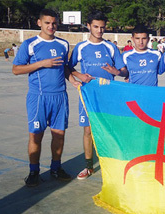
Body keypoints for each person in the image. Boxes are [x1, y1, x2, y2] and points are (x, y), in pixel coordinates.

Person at [12, 9, 79, 187]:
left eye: (54, 23)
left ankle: (56, 168)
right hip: (39, 97)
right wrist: (42, 63)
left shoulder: (63, 44)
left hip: (60, 97)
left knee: (59, 135)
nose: (51, 26)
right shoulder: (30, 44)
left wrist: (73, 80)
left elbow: (64, 67)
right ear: (39, 23)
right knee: (36, 136)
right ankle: (34, 171)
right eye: (47, 23)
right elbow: (16, 69)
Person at [68, 11, 126, 180]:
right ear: (88, 26)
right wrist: (79, 77)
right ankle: (88, 167)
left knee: (110, 130)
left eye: (102, 27)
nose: (100, 30)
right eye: (96, 27)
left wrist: (116, 71)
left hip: (108, 96)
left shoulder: (111, 47)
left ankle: (113, 165)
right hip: (88, 96)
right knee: (88, 131)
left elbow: (124, 71)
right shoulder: (81, 47)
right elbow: (68, 67)